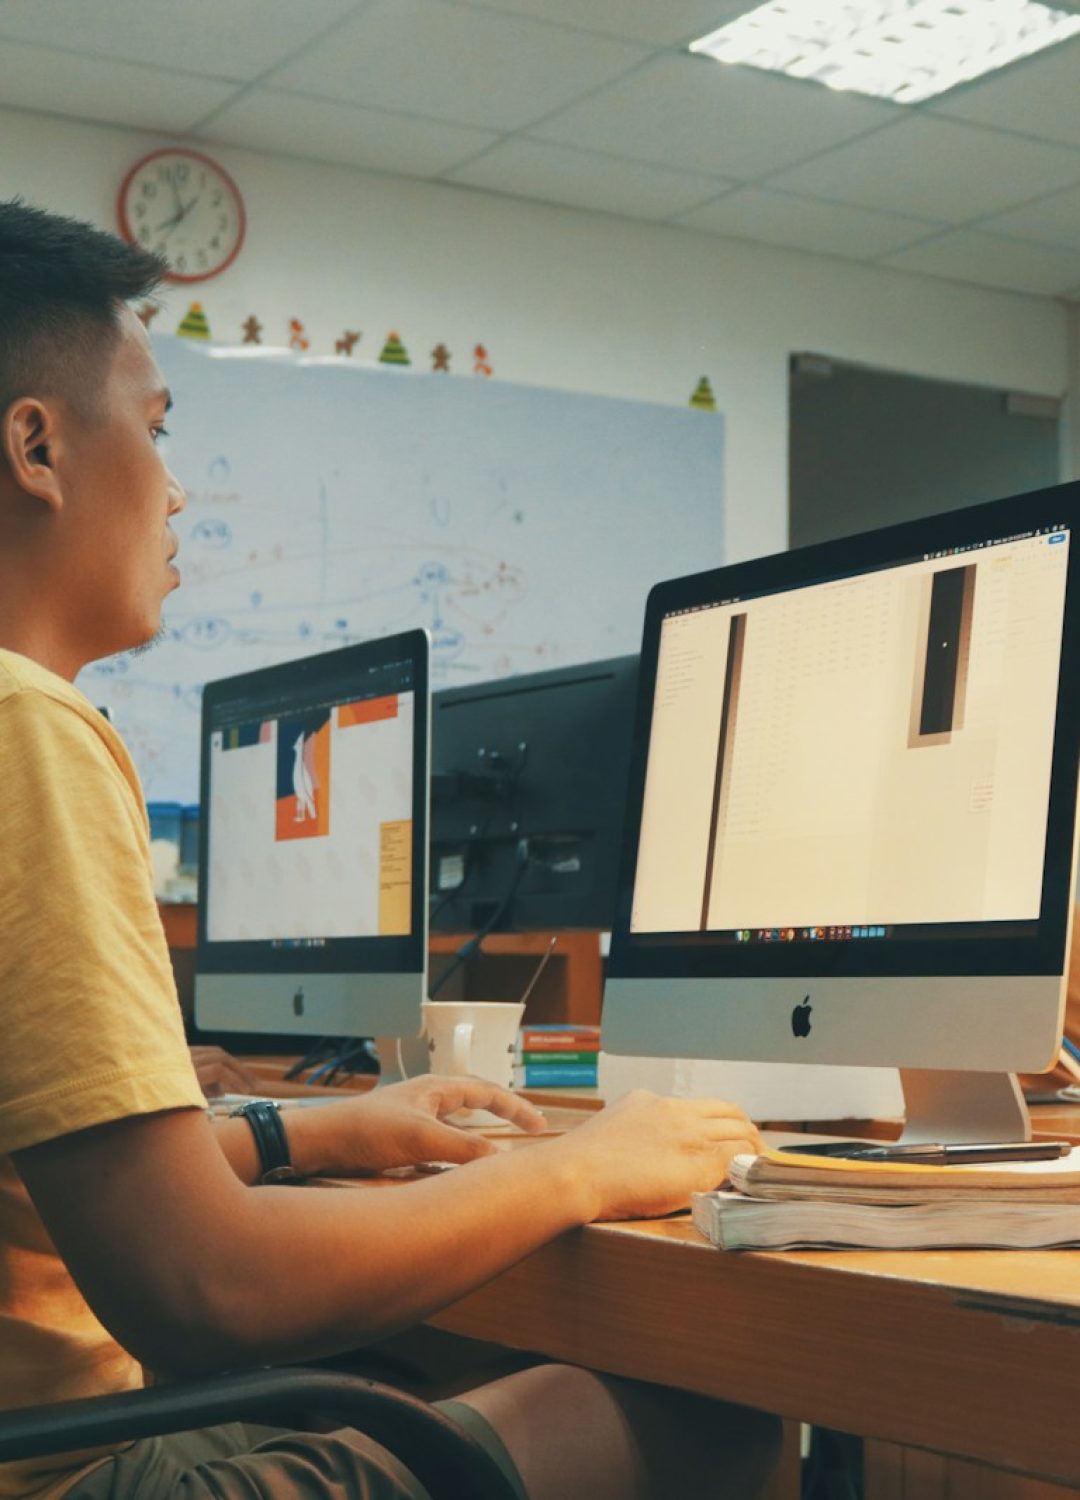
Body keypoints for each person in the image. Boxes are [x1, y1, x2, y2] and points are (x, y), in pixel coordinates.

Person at [0, 199, 778, 1500]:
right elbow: (209, 1288)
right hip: (73, 1480)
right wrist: (582, 1168)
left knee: (435, 1377)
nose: (176, 485)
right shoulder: (28, 728)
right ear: (36, 445)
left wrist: (318, 1136)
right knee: (704, 1416)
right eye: (155, 426)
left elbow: (57, 1161)